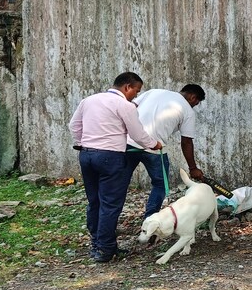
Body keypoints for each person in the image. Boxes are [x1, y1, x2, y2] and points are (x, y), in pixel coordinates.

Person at [69, 72, 163, 263]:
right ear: (127, 87)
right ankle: (105, 250)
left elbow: (74, 125)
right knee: (110, 204)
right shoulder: (125, 105)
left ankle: (97, 244)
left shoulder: (89, 100)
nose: (135, 96)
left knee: (94, 201)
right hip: (111, 157)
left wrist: (82, 143)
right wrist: (154, 144)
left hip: (86, 155)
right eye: (136, 91)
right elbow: (137, 135)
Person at [124, 84, 207, 220]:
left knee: (120, 183)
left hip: (129, 143)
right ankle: (150, 219)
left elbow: (129, 107)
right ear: (193, 97)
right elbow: (186, 142)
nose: (194, 106)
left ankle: (108, 226)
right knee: (160, 184)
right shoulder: (187, 111)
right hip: (154, 148)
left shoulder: (154, 91)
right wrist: (193, 168)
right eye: (196, 103)